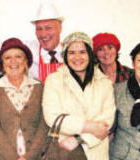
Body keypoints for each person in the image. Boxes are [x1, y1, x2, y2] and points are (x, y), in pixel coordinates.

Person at [42, 32, 116, 160]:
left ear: (89, 54)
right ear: (65, 56)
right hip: (65, 152)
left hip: (96, 153)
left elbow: (107, 121)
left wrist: (79, 139)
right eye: (71, 52)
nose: (77, 57)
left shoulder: (104, 83)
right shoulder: (54, 80)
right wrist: (89, 127)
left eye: (82, 52)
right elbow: (52, 117)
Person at [0, 38, 48, 160]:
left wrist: (30, 156)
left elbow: (43, 125)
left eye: (18, 56)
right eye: (7, 58)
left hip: (36, 157)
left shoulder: (39, 87)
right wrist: (13, 157)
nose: (13, 61)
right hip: (3, 157)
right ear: (2, 63)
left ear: (26, 61)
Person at [28, 2, 64, 81]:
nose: (43, 34)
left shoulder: (72, 53)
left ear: (60, 27)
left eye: (48, 28)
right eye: (39, 29)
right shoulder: (29, 52)